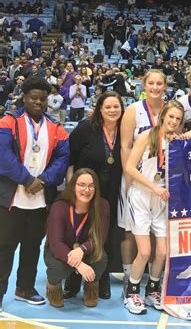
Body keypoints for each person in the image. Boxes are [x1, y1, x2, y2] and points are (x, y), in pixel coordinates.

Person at [0, 76, 69, 311]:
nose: (38, 102)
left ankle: (25, 288)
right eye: (33, 98)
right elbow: (3, 155)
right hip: (11, 198)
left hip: (40, 199)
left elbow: (62, 159)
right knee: (4, 247)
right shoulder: (9, 121)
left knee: (32, 246)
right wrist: (26, 179)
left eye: (42, 98)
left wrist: (43, 180)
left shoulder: (56, 127)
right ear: (24, 98)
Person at [124, 100, 184, 314]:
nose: (174, 122)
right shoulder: (146, 136)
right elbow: (129, 168)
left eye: (178, 119)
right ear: (162, 117)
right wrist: (153, 187)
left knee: (162, 252)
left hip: (161, 199)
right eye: (171, 117)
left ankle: (152, 290)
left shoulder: (176, 141)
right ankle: (131, 291)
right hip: (141, 195)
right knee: (145, 251)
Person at [66, 91, 124, 300]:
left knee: (106, 236)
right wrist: (70, 189)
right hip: (85, 191)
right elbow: (70, 159)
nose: (112, 110)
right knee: (79, 233)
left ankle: (102, 277)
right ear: (99, 108)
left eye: (116, 106)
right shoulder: (85, 129)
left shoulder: (125, 130)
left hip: (112, 191)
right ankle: (73, 277)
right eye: (107, 106)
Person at [119, 70, 166, 295]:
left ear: (165, 86)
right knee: (132, 232)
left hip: (160, 184)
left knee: (158, 240)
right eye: (151, 83)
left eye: (159, 84)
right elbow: (125, 146)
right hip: (136, 178)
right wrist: (129, 180)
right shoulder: (133, 110)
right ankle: (131, 280)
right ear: (144, 85)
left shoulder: (170, 110)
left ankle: (154, 283)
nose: (155, 87)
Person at [44, 168, 110, 308]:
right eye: (81, 185)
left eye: (91, 186)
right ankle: (53, 287)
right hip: (61, 252)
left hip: (86, 251)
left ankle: (91, 289)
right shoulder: (59, 206)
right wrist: (79, 264)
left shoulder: (102, 206)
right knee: (58, 268)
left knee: (101, 258)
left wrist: (81, 250)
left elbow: (100, 238)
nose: (87, 190)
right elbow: (56, 243)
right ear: (73, 186)